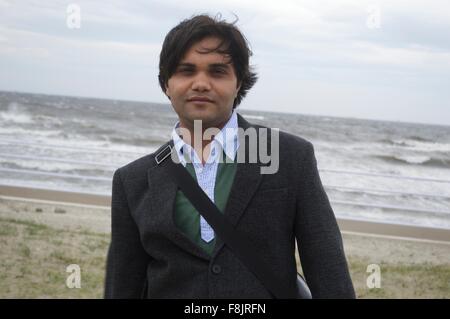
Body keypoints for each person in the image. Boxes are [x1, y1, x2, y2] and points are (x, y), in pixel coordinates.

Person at [104, 14, 355, 299]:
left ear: (238, 84)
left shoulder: (290, 157)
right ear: (166, 85)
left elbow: (327, 266)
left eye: (217, 72)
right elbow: (122, 284)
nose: (201, 83)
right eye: (186, 71)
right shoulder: (132, 180)